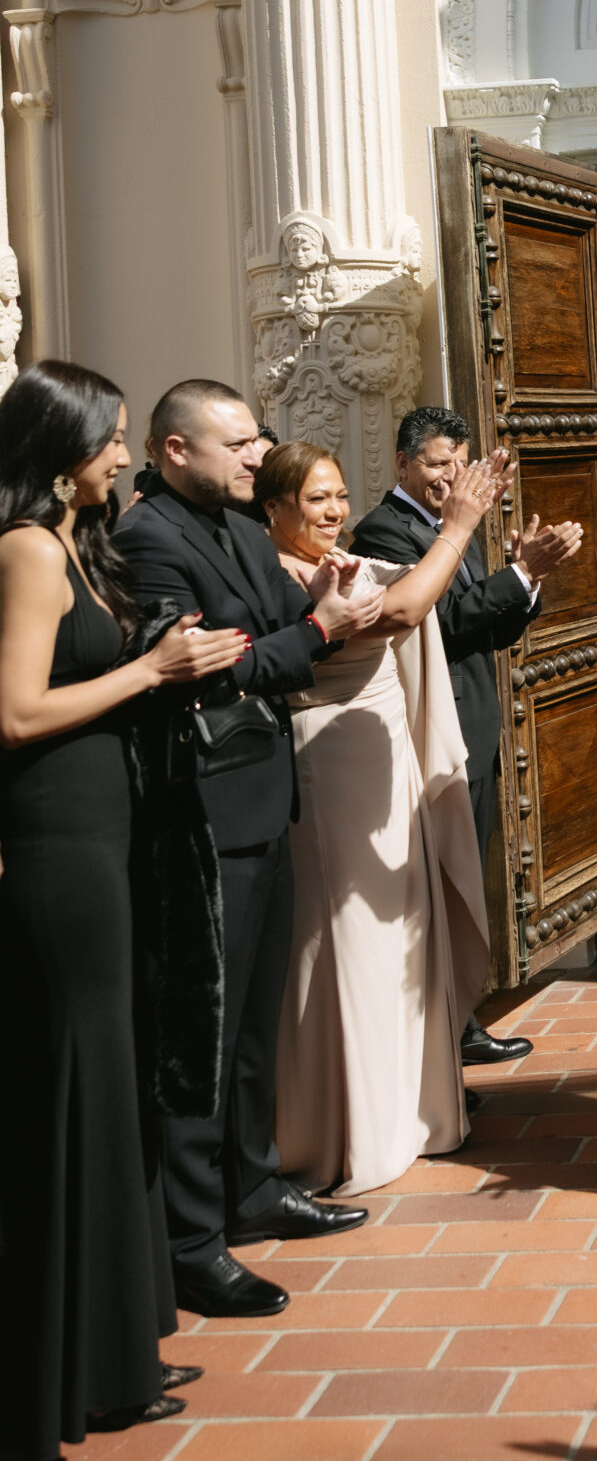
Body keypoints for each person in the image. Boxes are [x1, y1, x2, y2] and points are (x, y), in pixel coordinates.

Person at [0, 362, 247, 1461]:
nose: (120, 451)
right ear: (62, 447)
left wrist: (173, 664)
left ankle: (115, 1352)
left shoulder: (76, 547)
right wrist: (151, 671)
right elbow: (15, 713)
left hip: (108, 846)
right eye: (107, 435)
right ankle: (77, 1368)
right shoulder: (24, 552)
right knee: (80, 1094)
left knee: (113, 1089)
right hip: (59, 856)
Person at [113, 379, 383, 1320]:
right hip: (206, 812)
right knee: (207, 1027)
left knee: (260, 1018)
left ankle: (255, 1186)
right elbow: (212, 669)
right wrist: (314, 629)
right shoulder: (150, 537)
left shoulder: (231, 524)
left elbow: (268, 626)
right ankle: (193, 1240)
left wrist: (309, 613)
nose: (254, 459)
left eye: (255, 441)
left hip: (264, 796)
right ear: (175, 449)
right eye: (236, 445)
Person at [260, 442, 500, 1195]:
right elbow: (402, 609)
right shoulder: (272, 575)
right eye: (314, 500)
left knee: (400, 931)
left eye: (338, 496)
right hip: (328, 767)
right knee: (344, 944)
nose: (334, 512)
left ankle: (416, 1110)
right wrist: (457, 527)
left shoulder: (348, 560)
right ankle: (346, 1128)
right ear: (272, 511)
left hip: (387, 762)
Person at [352, 405, 582, 1069]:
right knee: (434, 888)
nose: (451, 477)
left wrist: (526, 578)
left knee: (462, 885)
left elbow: (488, 630)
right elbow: (442, 622)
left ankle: (459, 1023)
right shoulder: (384, 531)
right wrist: (517, 576)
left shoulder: (455, 527)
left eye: (460, 464)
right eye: (435, 464)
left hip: (470, 724)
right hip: (426, 731)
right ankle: (434, 1040)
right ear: (402, 464)